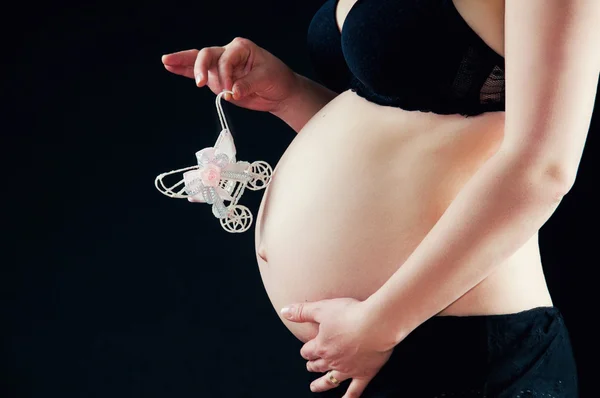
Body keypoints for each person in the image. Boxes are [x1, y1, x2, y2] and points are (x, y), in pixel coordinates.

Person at [161, 0, 599, 396]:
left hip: (465, 349)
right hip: (370, 341)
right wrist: (289, 95)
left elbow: (543, 166)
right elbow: (407, 148)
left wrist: (381, 323)